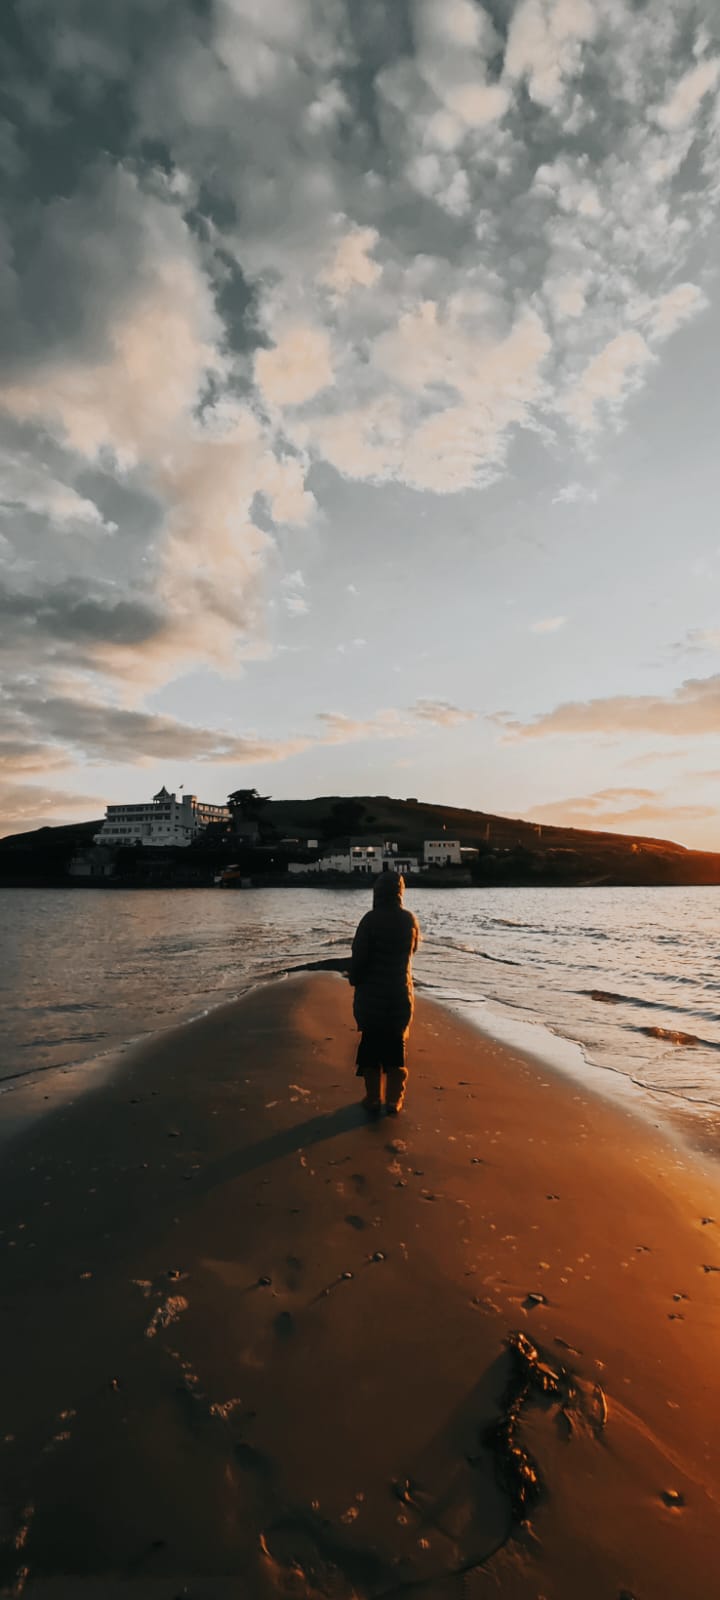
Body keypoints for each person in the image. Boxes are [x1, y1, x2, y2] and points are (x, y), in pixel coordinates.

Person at [348, 871, 420, 1116]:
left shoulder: (369, 920)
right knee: (395, 1050)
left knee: (370, 1050)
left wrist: (354, 979)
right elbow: (413, 951)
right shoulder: (410, 920)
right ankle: (393, 1101)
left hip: (372, 997)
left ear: (377, 893)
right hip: (400, 994)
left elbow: (359, 958)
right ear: (400, 893)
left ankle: (372, 1098)